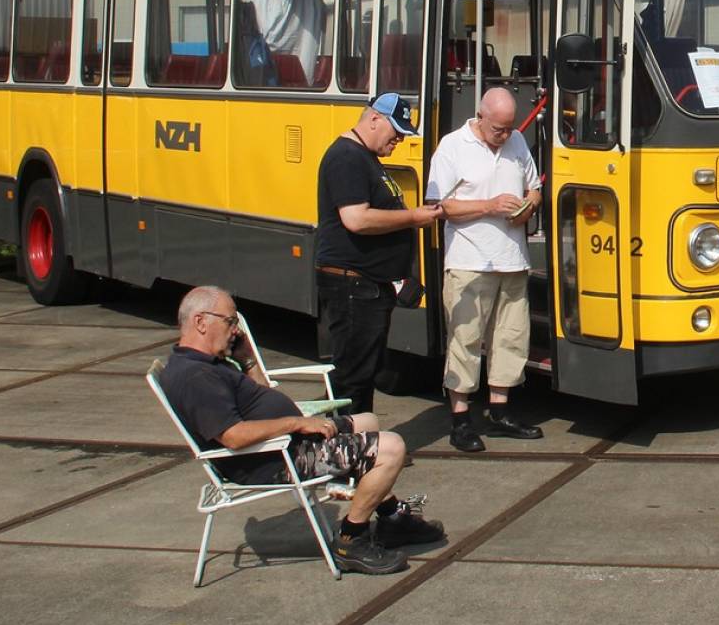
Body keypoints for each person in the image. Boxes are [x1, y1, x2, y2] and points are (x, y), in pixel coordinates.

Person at [157, 286, 443, 575]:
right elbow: (233, 436)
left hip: (283, 443)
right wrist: (297, 423)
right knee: (391, 448)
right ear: (201, 322)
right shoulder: (196, 376)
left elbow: (261, 395)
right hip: (275, 459)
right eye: (230, 321)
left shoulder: (209, 362)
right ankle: (350, 540)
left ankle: (392, 518)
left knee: (368, 421)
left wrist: (248, 361)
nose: (235, 330)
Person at [425, 87, 544, 453]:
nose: (505, 135)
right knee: (465, 340)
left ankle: (500, 410)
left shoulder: (517, 142)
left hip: (512, 259)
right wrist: (490, 206)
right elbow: (440, 206)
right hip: (469, 260)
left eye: (509, 128)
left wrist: (528, 207)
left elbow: (535, 188)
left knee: (511, 337)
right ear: (480, 117)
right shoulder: (452, 146)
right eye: (498, 129)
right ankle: (460, 419)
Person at [315, 93, 444, 415]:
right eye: (396, 131)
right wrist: (412, 217)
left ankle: (356, 435)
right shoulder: (347, 157)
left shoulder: (365, 157)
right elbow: (356, 219)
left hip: (368, 285)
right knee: (353, 376)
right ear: (374, 119)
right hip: (354, 286)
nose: (399, 139)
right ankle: (346, 438)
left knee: (362, 371)